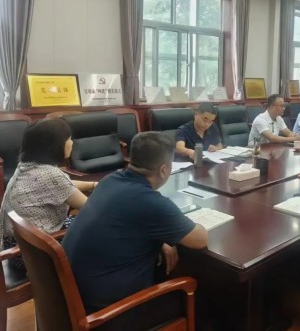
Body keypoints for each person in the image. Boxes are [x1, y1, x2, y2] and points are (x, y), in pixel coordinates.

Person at [62, 132, 208, 329]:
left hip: (75, 298)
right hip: (109, 314)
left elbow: (127, 223)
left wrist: (162, 237)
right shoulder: (151, 202)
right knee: (199, 299)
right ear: (164, 170)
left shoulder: (110, 180)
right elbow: (199, 239)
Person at [0, 118, 91, 270]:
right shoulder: (50, 174)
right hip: (36, 253)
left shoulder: (27, 166)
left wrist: (93, 184)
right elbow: (91, 209)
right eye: (69, 139)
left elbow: (64, 186)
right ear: (56, 145)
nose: (72, 143)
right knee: (97, 227)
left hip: (17, 247)